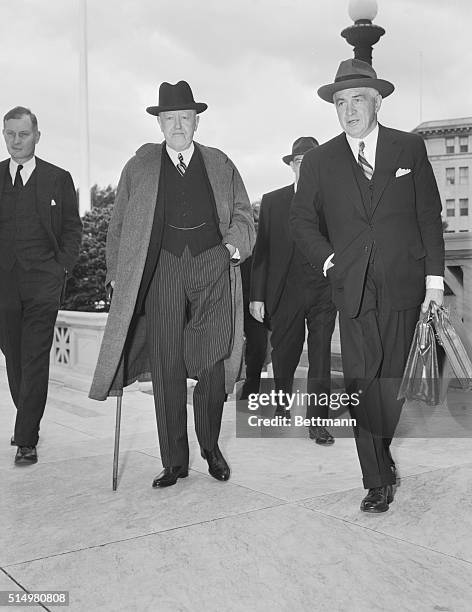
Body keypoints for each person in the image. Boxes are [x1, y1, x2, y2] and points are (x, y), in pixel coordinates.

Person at [289, 59, 444, 512]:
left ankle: (382, 450)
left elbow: (428, 217)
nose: (349, 110)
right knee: (361, 381)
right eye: (340, 102)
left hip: (404, 284)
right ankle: (375, 478)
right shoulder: (319, 161)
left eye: (358, 99)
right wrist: (329, 260)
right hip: (351, 288)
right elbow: (301, 223)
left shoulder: (409, 149)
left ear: (376, 102)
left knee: (392, 383)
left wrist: (434, 282)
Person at [89, 81, 255, 488]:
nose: (177, 125)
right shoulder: (140, 166)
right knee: (166, 366)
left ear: (196, 122)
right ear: (159, 123)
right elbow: (120, 224)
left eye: (184, 118)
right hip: (161, 269)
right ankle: (174, 461)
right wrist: (115, 274)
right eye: (169, 119)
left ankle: (210, 448)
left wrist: (230, 251)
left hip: (211, 266)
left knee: (212, 364)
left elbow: (243, 215)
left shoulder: (220, 163)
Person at [0, 106, 82, 465]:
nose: (16, 141)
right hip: (4, 284)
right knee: (14, 358)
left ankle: (26, 438)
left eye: (23, 134)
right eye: (10, 134)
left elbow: (71, 228)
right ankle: (27, 417)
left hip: (43, 283)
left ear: (37, 135)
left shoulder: (58, 178)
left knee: (34, 358)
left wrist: (60, 269)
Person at [250, 137, 337, 445]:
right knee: (284, 354)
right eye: (300, 162)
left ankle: (318, 423)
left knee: (320, 358)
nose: (305, 168)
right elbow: (262, 252)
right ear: (291, 166)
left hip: (323, 292)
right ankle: (282, 404)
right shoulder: (273, 201)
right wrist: (257, 296)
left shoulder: (334, 201)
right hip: (285, 291)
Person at [238, 200, 269, 401]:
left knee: (257, 348)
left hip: (255, 302)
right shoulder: (236, 237)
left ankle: (251, 389)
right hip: (234, 301)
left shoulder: (265, 240)